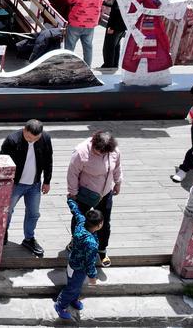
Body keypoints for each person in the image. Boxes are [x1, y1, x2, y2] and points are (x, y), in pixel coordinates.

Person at [67, 131, 122, 267]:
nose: (101, 154)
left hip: (105, 193)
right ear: (93, 142)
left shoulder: (114, 151)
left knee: (105, 222)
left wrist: (118, 182)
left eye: (104, 153)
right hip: (85, 194)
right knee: (80, 220)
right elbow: (72, 173)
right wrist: (73, 193)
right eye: (99, 151)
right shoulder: (80, 152)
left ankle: (102, 249)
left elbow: (117, 167)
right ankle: (76, 241)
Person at [0, 119, 53, 257]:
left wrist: (47, 181)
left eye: (35, 138)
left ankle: (29, 239)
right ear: (24, 130)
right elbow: (3, 163)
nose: (32, 141)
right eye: (29, 137)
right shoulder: (12, 140)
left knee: (34, 213)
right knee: (7, 211)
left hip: (34, 184)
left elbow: (48, 160)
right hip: (15, 184)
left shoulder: (45, 138)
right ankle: (2, 234)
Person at [54, 201, 103, 321]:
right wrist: (92, 277)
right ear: (99, 225)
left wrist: (70, 201)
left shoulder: (82, 222)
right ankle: (60, 305)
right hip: (78, 269)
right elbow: (90, 263)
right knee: (72, 288)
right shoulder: (91, 243)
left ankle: (73, 299)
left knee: (77, 286)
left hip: (73, 262)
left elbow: (76, 212)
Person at [63, 0, 104, 66]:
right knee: (88, 47)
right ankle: (88, 67)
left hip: (75, 23)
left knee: (70, 47)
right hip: (91, 24)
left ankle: (67, 66)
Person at [101, 0, 127, 69]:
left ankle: (108, 66)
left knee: (109, 46)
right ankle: (114, 65)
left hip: (116, 26)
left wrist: (111, 27)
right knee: (116, 46)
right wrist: (104, 3)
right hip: (122, 26)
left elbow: (117, 12)